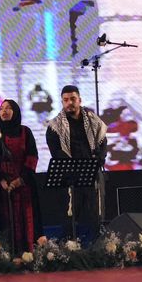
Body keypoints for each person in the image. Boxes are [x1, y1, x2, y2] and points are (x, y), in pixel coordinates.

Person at [44, 85, 108, 241]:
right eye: (65, 100)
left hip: (92, 175)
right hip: (70, 178)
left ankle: (99, 247)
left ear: (80, 100)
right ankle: (70, 248)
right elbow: (56, 152)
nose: (69, 103)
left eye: (73, 99)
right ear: (62, 102)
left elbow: (102, 142)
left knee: (96, 215)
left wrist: (100, 157)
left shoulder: (93, 121)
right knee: (70, 217)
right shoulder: (54, 126)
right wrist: (74, 167)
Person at [0, 99, 42, 251]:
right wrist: (1, 180)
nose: (4, 111)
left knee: (28, 220)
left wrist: (21, 180)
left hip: (24, 185)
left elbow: (32, 157)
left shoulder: (25, 132)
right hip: (4, 188)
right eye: (1, 108)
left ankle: (28, 255)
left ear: (16, 112)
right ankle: (7, 255)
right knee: (5, 221)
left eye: (8, 108)